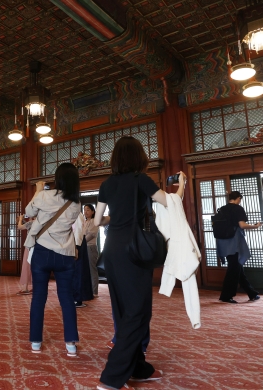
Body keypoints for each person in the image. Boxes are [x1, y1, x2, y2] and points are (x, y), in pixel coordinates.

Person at [94, 136, 186, 390]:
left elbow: (97, 221)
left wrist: (119, 217)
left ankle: (138, 368)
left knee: (124, 309)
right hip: (134, 250)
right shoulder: (141, 180)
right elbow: (170, 203)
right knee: (137, 312)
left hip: (112, 249)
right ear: (139, 158)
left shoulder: (107, 183)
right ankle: (112, 377)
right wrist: (181, 186)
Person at [25, 162, 82, 357]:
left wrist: (38, 189)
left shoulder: (45, 195)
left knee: (39, 298)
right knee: (67, 299)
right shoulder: (76, 203)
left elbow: (28, 212)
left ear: (57, 178)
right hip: (65, 254)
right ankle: (71, 344)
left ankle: (35, 342)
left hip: (42, 252)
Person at [217, 191, 263, 304]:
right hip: (234, 241)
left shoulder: (222, 209)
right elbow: (242, 225)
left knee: (236, 267)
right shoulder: (238, 208)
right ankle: (226, 296)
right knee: (234, 268)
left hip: (223, 241)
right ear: (238, 198)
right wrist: (255, 226)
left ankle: (252, 293)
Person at [72, 212, 93, 308]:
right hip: (73, 242)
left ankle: (78, 298)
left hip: (78, 243)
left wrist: (76, 247)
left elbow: (79, 231)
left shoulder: (77, 214)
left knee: (79, 272)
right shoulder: (71, 212)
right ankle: (73, 297)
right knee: (74, 271)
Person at [83, 204, 100, 297]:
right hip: (84, 248)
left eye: (88, 210)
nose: (86, 212)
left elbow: (90, 235)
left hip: (90, 247)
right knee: (86, 270)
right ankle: (88, 290)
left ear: (93, 211)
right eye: (84, 210)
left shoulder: (94, 221)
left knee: (92, 270)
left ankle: (94, 292)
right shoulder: (84, 222)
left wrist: (81, 244)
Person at [16, 215, 34, 295]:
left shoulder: (32, 222)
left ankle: (25, 288)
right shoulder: (40, 222)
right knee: (36, 267)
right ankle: (35, 287)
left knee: (26, 266)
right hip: (39, 246)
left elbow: (20, 227)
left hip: (30, 246)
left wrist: (20, 219)